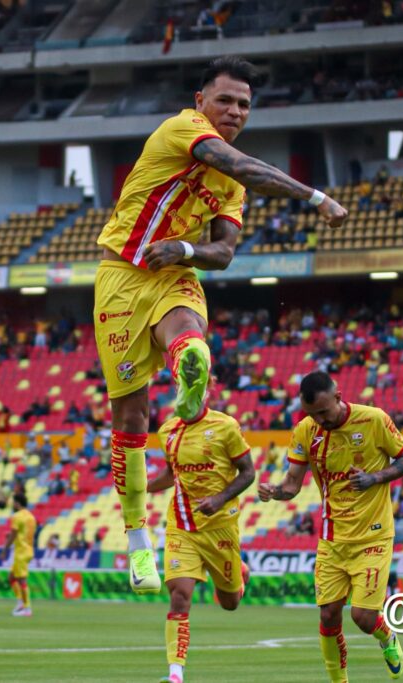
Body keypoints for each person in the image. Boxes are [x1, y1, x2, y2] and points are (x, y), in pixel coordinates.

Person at [94, 56, 348, 594]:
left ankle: (190, 368)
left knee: (189, 332)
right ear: (200, 101)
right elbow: (245, 167)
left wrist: (184, 249)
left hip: (174, 273)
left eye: (244, 105)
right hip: (120, 277)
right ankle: (138, 539)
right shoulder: (183, 129)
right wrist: (316, 197)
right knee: (131, 417)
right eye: (226, 100)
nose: (235, 111)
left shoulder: (231, 189)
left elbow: (224, 253)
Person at [259, 371, 403, 681]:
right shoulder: (305, 430)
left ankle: (386, 636)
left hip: (372, 536)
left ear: (338, 397)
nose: (319, 420)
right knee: (328, 615)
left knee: (363, 617)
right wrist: (274, 491)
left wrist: (374, 478)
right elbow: (292, 484)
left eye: (323, 412)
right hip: (332, 539)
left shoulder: (373, 419)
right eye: (312, 414)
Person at [147, 399, 255, 683]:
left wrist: (219, 499)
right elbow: (171, 474)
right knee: (179, 596)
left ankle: (240, 573)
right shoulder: (167, 430)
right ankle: (175, 673)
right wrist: (143, 487)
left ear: (205, 391)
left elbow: (248, 472)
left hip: (220, 529)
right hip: (181, 526)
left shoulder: (226, 426)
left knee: (230, 603)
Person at [3, 493, 37, 617]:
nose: (13, 505)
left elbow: (13, 534)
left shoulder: (17, 516)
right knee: (11, 577)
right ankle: (20, 602)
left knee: (22, 580)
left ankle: (27, 609)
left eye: (14, 503)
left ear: (17, 503)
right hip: (29, 550)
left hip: (21, 551)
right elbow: (25, 533)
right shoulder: (31, 517)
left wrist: (5, 549)